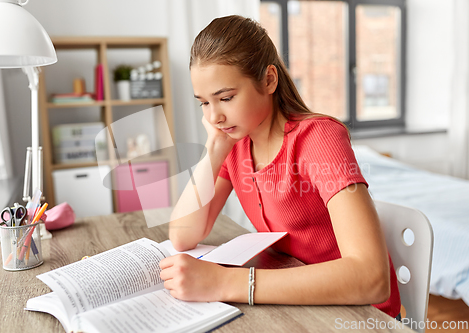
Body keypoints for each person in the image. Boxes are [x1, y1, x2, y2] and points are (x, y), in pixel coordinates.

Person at [159, 14, 401, 319]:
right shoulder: (235, 144)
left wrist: (225, 283)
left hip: (360, 316)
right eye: (204, 103)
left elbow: (372, 278)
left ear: (269, 80)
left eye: (226, 98)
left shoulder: (318, 139)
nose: (213, 117)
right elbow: (183, 236)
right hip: (298, 305)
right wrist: (213, 149)